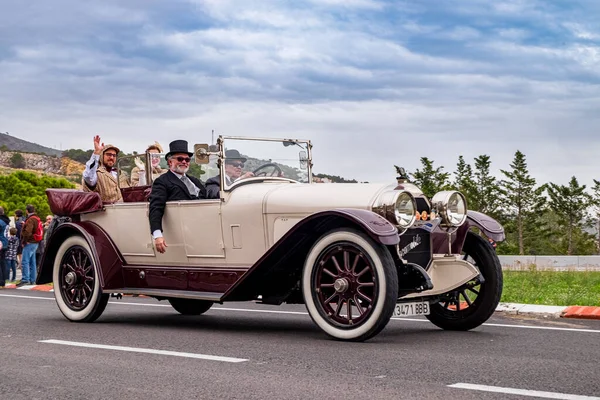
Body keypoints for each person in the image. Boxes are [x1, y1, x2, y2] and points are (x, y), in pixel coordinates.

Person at [149, 140, 207, 254]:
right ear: (170, 162)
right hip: (182, 232)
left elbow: (207, 197)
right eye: (180, 159)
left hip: (202, 228)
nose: (184, 162)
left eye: (187, 159)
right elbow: (156, 207)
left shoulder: (195, 181)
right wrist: (157, 235)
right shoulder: (162, 182)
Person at [82, 135, 123, 203]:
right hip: (105, 211)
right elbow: (88, 177)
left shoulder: (119, 173)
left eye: (114, 155)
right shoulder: (96, 174)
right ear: (101, 156)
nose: (112, 157)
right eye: (108, 154)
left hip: (123, 209)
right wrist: (96, 152)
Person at [17, 204, 42, 286]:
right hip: (35, 242)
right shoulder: (36, 218)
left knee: (25, 261)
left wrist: (25, 241)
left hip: (30, 242)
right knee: (32, 262)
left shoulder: (30, 219)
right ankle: (32, 279)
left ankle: (25, 279)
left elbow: (28, 232)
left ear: (27, 211)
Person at [0, 207, 9, 288]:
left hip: (0, 243)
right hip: (5, 242)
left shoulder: (0, 221)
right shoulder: (6, 221)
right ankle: (3, 281)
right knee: (3, 262)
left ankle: (0, 281)